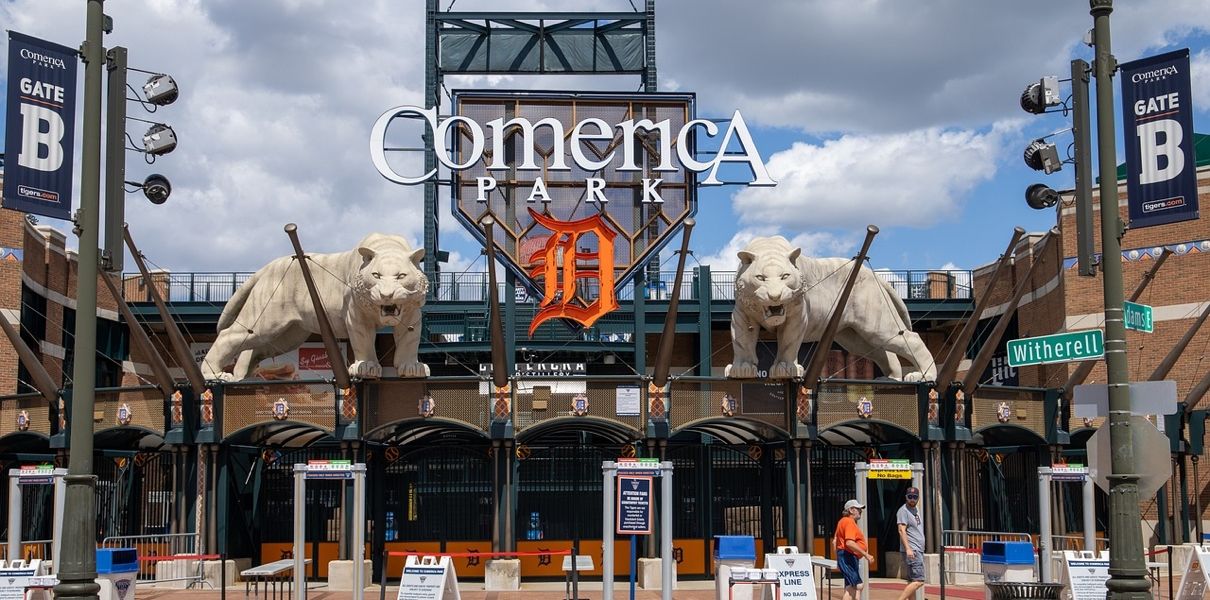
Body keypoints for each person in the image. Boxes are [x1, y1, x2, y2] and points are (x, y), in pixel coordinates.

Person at [834, 499, 872, 600]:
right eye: (858, 509)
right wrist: (866, 554)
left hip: (846, 556)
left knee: (853, 586)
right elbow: (849, 542)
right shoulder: (849, 522)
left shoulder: (842, 522)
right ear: (851, 510)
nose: (860, 511)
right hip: (848, 556)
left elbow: (835, 541)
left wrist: (838, 559)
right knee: (855, 586)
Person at [896, 487, 926, 600]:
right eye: (910, 497)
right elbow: (901, 530)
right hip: (912, 550)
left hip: (918, 549)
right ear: (906, 497)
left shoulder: (916, 510)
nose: (912, 499)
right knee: (919, 581)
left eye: (915, 497)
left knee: (912, 581)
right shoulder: (903, 511)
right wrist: (908, 548)